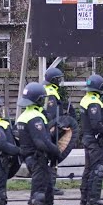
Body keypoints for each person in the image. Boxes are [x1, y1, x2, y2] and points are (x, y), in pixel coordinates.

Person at [16, 82, 67, 205]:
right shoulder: (35, 117)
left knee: (48, 195)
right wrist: (56, 151)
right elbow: (41, 142)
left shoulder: (24, 115)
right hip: (38, 160)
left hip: (34, 159)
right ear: (37, 99)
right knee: (38, 197)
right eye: (42, 99)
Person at [79, 73, 103, 205]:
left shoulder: (86, 99)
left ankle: (84, 199)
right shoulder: (94, 102)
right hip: (95, 140)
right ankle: (94, 199)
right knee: (97, 169)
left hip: (88, 139)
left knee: (88, 169)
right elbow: (97, 124)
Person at [44, 66, 70, 196]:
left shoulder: (46, 91)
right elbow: (51, 114)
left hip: (47, 129)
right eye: (58, 79)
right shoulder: (51, 94)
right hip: (51, 130)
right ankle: (51, 186)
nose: (60, 81)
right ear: (53, 80)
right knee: (52, 157)